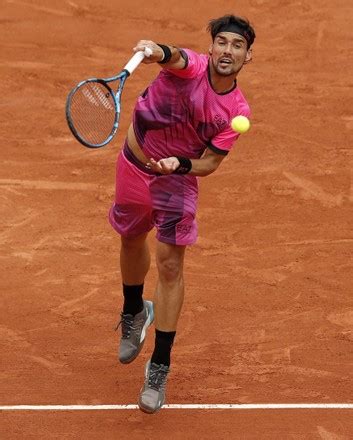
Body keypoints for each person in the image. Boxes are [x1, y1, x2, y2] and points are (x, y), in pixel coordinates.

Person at [109, 14, 256, 414]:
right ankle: (134, 309)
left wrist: (180, 165)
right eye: (222, 43)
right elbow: (171, 56)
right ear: (211, 48)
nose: (227, 51)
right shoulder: (191, 65)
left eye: (237, 46)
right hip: (135, 165)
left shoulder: (235, 112)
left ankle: (159, 367)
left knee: (171, 267)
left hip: (176, 181)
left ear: (247, 56)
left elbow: (209, 163)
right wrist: (155, 50)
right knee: (130, 238)